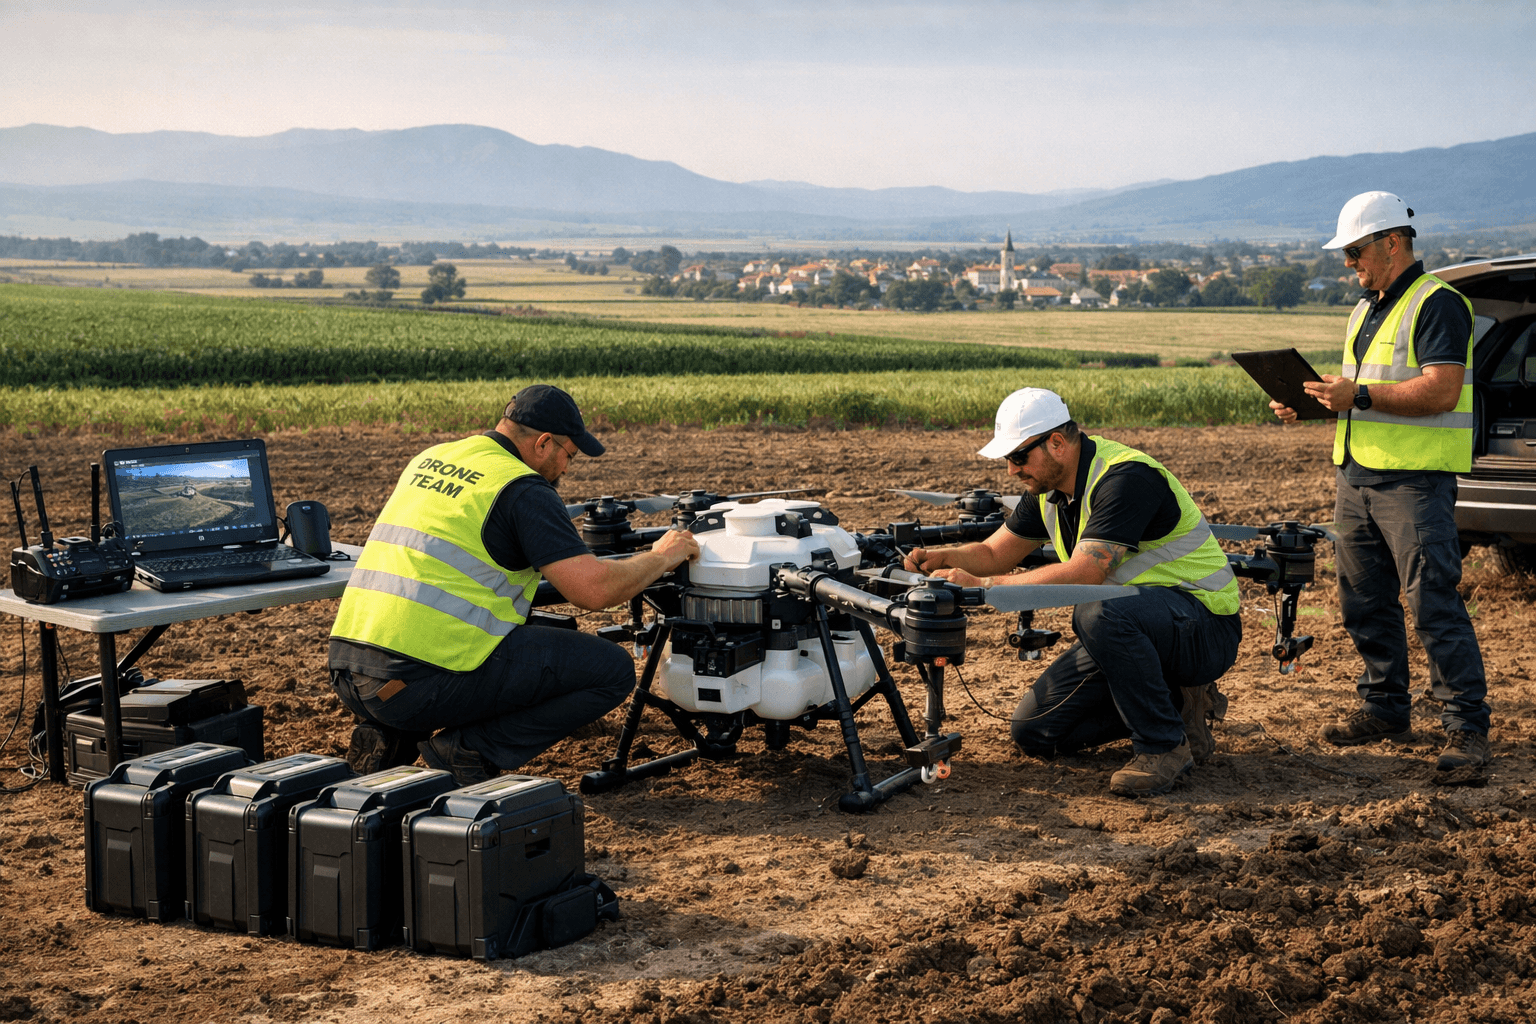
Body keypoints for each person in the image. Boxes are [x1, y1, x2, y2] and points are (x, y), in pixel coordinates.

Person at [328, 384, 700, 784]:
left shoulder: (432, 458)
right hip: (414, 684)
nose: (566, 469)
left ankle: (390, 737)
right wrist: (661, 556)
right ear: (543, 443)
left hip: (349, 670)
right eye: (568, 456)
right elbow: (595, 591)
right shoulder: (522, 489)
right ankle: (467, 751)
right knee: (609, 670)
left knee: (493, 639)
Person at [903, 387, 1242, 796]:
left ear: (1057, 443)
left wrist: (983, 588)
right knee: (1034, 730)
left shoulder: (1126, 478)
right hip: (1136, 627)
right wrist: (942, 557)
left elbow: (1087, 571)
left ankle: (1163, 747)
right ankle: (1178, 704)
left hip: (1203, 626)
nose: (1011, 470)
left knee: (1096, 612)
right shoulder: (1048, 491)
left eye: (1018, 457)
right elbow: (995, 552)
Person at [1270, 191, 1489, 769]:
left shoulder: (1437, 303)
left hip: (1415, 483)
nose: (1349, 263)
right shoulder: (1366, 309)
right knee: (1364, 603)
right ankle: (1386, 706)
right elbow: (1363, 392)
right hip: (1357, 477)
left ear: (1393, 242)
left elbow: (1440, 390)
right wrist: (1315, 400)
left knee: (1432, 603)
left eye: (1355, 250)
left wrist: (1357, 394)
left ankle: (1466, 727)